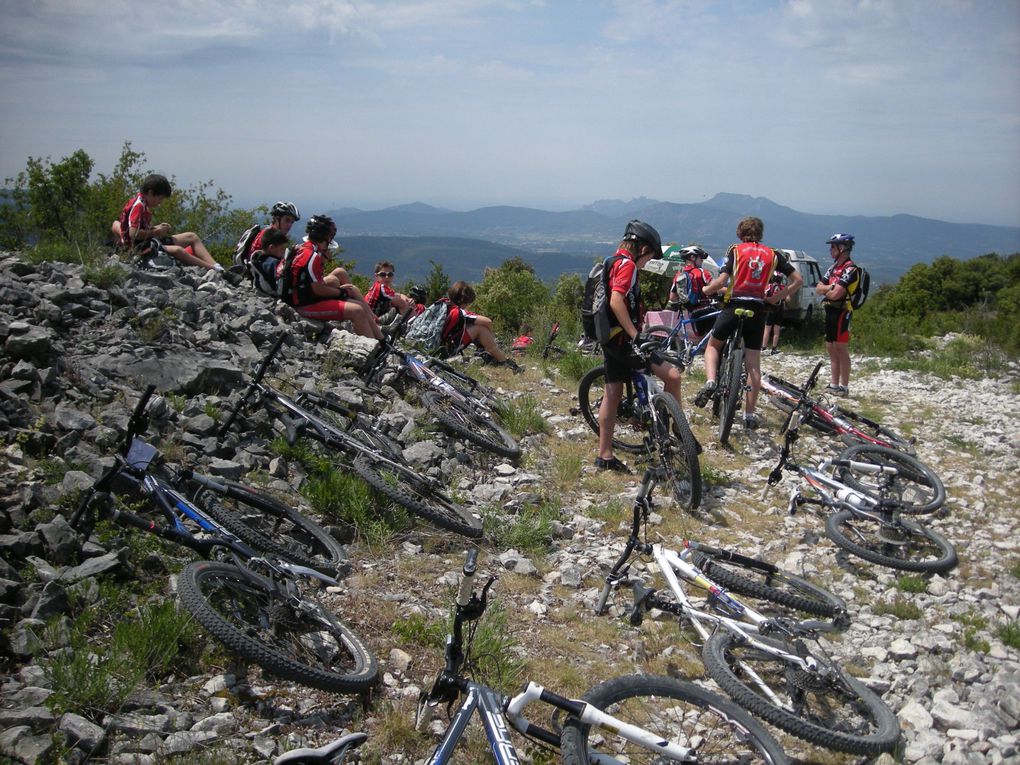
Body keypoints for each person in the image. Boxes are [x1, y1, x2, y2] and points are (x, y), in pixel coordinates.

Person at [694, 216, 802, 430]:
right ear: (760, 235)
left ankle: (711, 381)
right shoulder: (773, 254)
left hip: (733, 305)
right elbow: (798, 280)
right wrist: (776, 297)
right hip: (758, 309)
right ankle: (749, 414)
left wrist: (706, 290)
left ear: (739, 234)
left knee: (713, 346)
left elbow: (723, 281)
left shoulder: (735, 250)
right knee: (753, 363)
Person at [596, 220, 683, 473]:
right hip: (625, 341)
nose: (648, 262)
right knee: (673, 375)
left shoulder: (610, 261)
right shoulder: (628, 266)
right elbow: (615, 301)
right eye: (650, 256)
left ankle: (605, 455)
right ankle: (676, 433)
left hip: (610, 339)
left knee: (612, 395)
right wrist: (635, 335)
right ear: (642, 248)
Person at [112, 174, 241, 284]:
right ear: (151, 193)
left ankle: (217, 266)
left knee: (192, 236)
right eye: (160, 198)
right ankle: (215, 270)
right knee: (179, 250)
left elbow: (131, 227)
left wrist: (156, 228)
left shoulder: (140, 202)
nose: (160, 202)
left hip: (147, 241)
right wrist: (156, 232)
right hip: (142, 247)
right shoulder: (139, 206)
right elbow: (134, 234)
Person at [282, 215, 383, 340]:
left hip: (301, 298)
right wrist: (341, 292)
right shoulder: (312, 257)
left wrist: (341, 292)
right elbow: (318, 290)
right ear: (326, 237)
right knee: (357, 310)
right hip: (303, 305)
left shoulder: (301, 248)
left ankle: (382, 340)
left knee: (358, 305)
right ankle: (376, 348)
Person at [439, 281, 521, 372]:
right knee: (481, 329)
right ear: (464, 301)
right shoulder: (459, 312)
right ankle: (504, 362)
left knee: (474, 324)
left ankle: (491, 353)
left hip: (437, 346)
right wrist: (490, 338)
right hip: (447, 350)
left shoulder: (442, 304)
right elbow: (488, 321)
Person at [816, 233, 861, 396]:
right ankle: (834, 384)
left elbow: (836, 295)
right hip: (830, 310)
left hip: (842, 311)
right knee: (830, 347)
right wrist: (830, 288)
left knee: (841, 348)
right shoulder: (833, 268)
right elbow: (818, 288)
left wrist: (827, 289)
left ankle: (844, 386)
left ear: (842, 248)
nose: (830, 250)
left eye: (833, 247)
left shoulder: (850, 269)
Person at [667, 245, 716, 339]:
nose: (702, 260)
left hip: (692, 312)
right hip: (707, 309)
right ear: (692, 257)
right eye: (700, 258)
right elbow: (715, 287)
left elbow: (672, 297)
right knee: (715, 341)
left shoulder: (678, 275)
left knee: (701, 340)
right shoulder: (702, 272)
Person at [762, 271, 787, 354]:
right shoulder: (783, 287)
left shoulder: (769, 286)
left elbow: (764, 296)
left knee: (767, 329)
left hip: (770, 309)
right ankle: (774, 348)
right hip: (780, 310)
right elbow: (788, 299)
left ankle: (764, 347)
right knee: (776, 329)